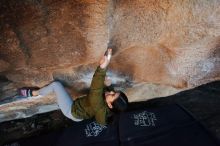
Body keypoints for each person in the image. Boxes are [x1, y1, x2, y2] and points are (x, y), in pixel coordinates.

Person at [18, 48, 128, 125]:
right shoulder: (107, 103)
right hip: (80, 112)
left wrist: (102, 67)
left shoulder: (98, 104)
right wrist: (109, 85)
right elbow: (107, 90)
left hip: (71, 111)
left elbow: (96, 86)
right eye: (115, 92)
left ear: (109, 105)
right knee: (106, 84)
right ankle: (59, 103)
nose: (112, 92)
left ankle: (33, 94)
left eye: (112, 95)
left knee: (56, 85)